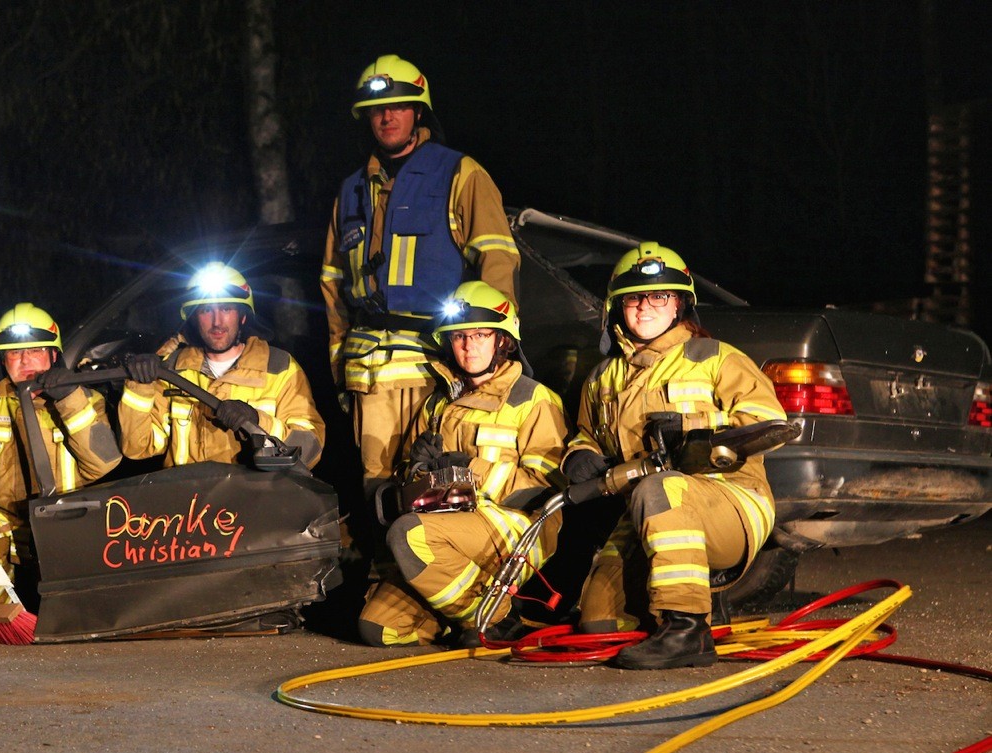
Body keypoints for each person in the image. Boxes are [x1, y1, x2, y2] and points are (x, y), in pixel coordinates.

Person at [563, 242, 788, 669]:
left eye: (659, 296)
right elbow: (588, 434)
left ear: (680, 304)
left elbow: (769, 426)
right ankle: (697, 598)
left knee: (661, 488)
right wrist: (579, 456)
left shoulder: (716, 358)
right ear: (617, 307)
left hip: (732, 503)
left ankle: (688, 629)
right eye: (633, 298)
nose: (645, 307)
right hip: (646, 509)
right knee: (598, 623)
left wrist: (692, 428)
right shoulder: (603, 377)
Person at [321, 54, 520, 494]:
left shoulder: (459, 173)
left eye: (398, 106)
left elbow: (498, 261)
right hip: (367, 370)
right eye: (377, 109)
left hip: (436, 364)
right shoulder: (351, 190)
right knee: (376, 490)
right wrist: (338, 365)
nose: (387, 116)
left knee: (433, 486)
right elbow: (333, 285)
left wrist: (496, 349)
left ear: (419, 111)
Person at [358, 282, 568, 648]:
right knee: (378, 627)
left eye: (481, 335)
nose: (469, 345)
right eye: (459, 336)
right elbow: (414, 486)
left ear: (503, 340)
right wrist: (414, 469)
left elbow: (544, 491)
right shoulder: (438, 405)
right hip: (445, 529)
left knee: (408, 535)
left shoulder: (533, 399)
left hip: (519, 527)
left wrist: (473, 468)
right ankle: (470, 612)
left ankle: (496, 618)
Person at [0, 303, 120, 595]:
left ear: (53, 355)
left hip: (68, 519)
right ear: (2, 359)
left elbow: (103, 464)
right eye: (14, 353)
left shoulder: (86, 399)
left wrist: (68, 400)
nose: (25, 361)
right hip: (8, 520)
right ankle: (9, 616)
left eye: (35, 350)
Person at [120, 262, 324, 468]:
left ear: (243, 316)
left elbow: (309, 451)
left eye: (226, 308)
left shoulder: (279, 368)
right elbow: (138, 448)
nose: (217, 322)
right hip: (186, 498)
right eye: (206, 310)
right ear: (194, 318)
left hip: (255, 498)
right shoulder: (173, 370)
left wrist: (257, 420)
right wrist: (140, 384)